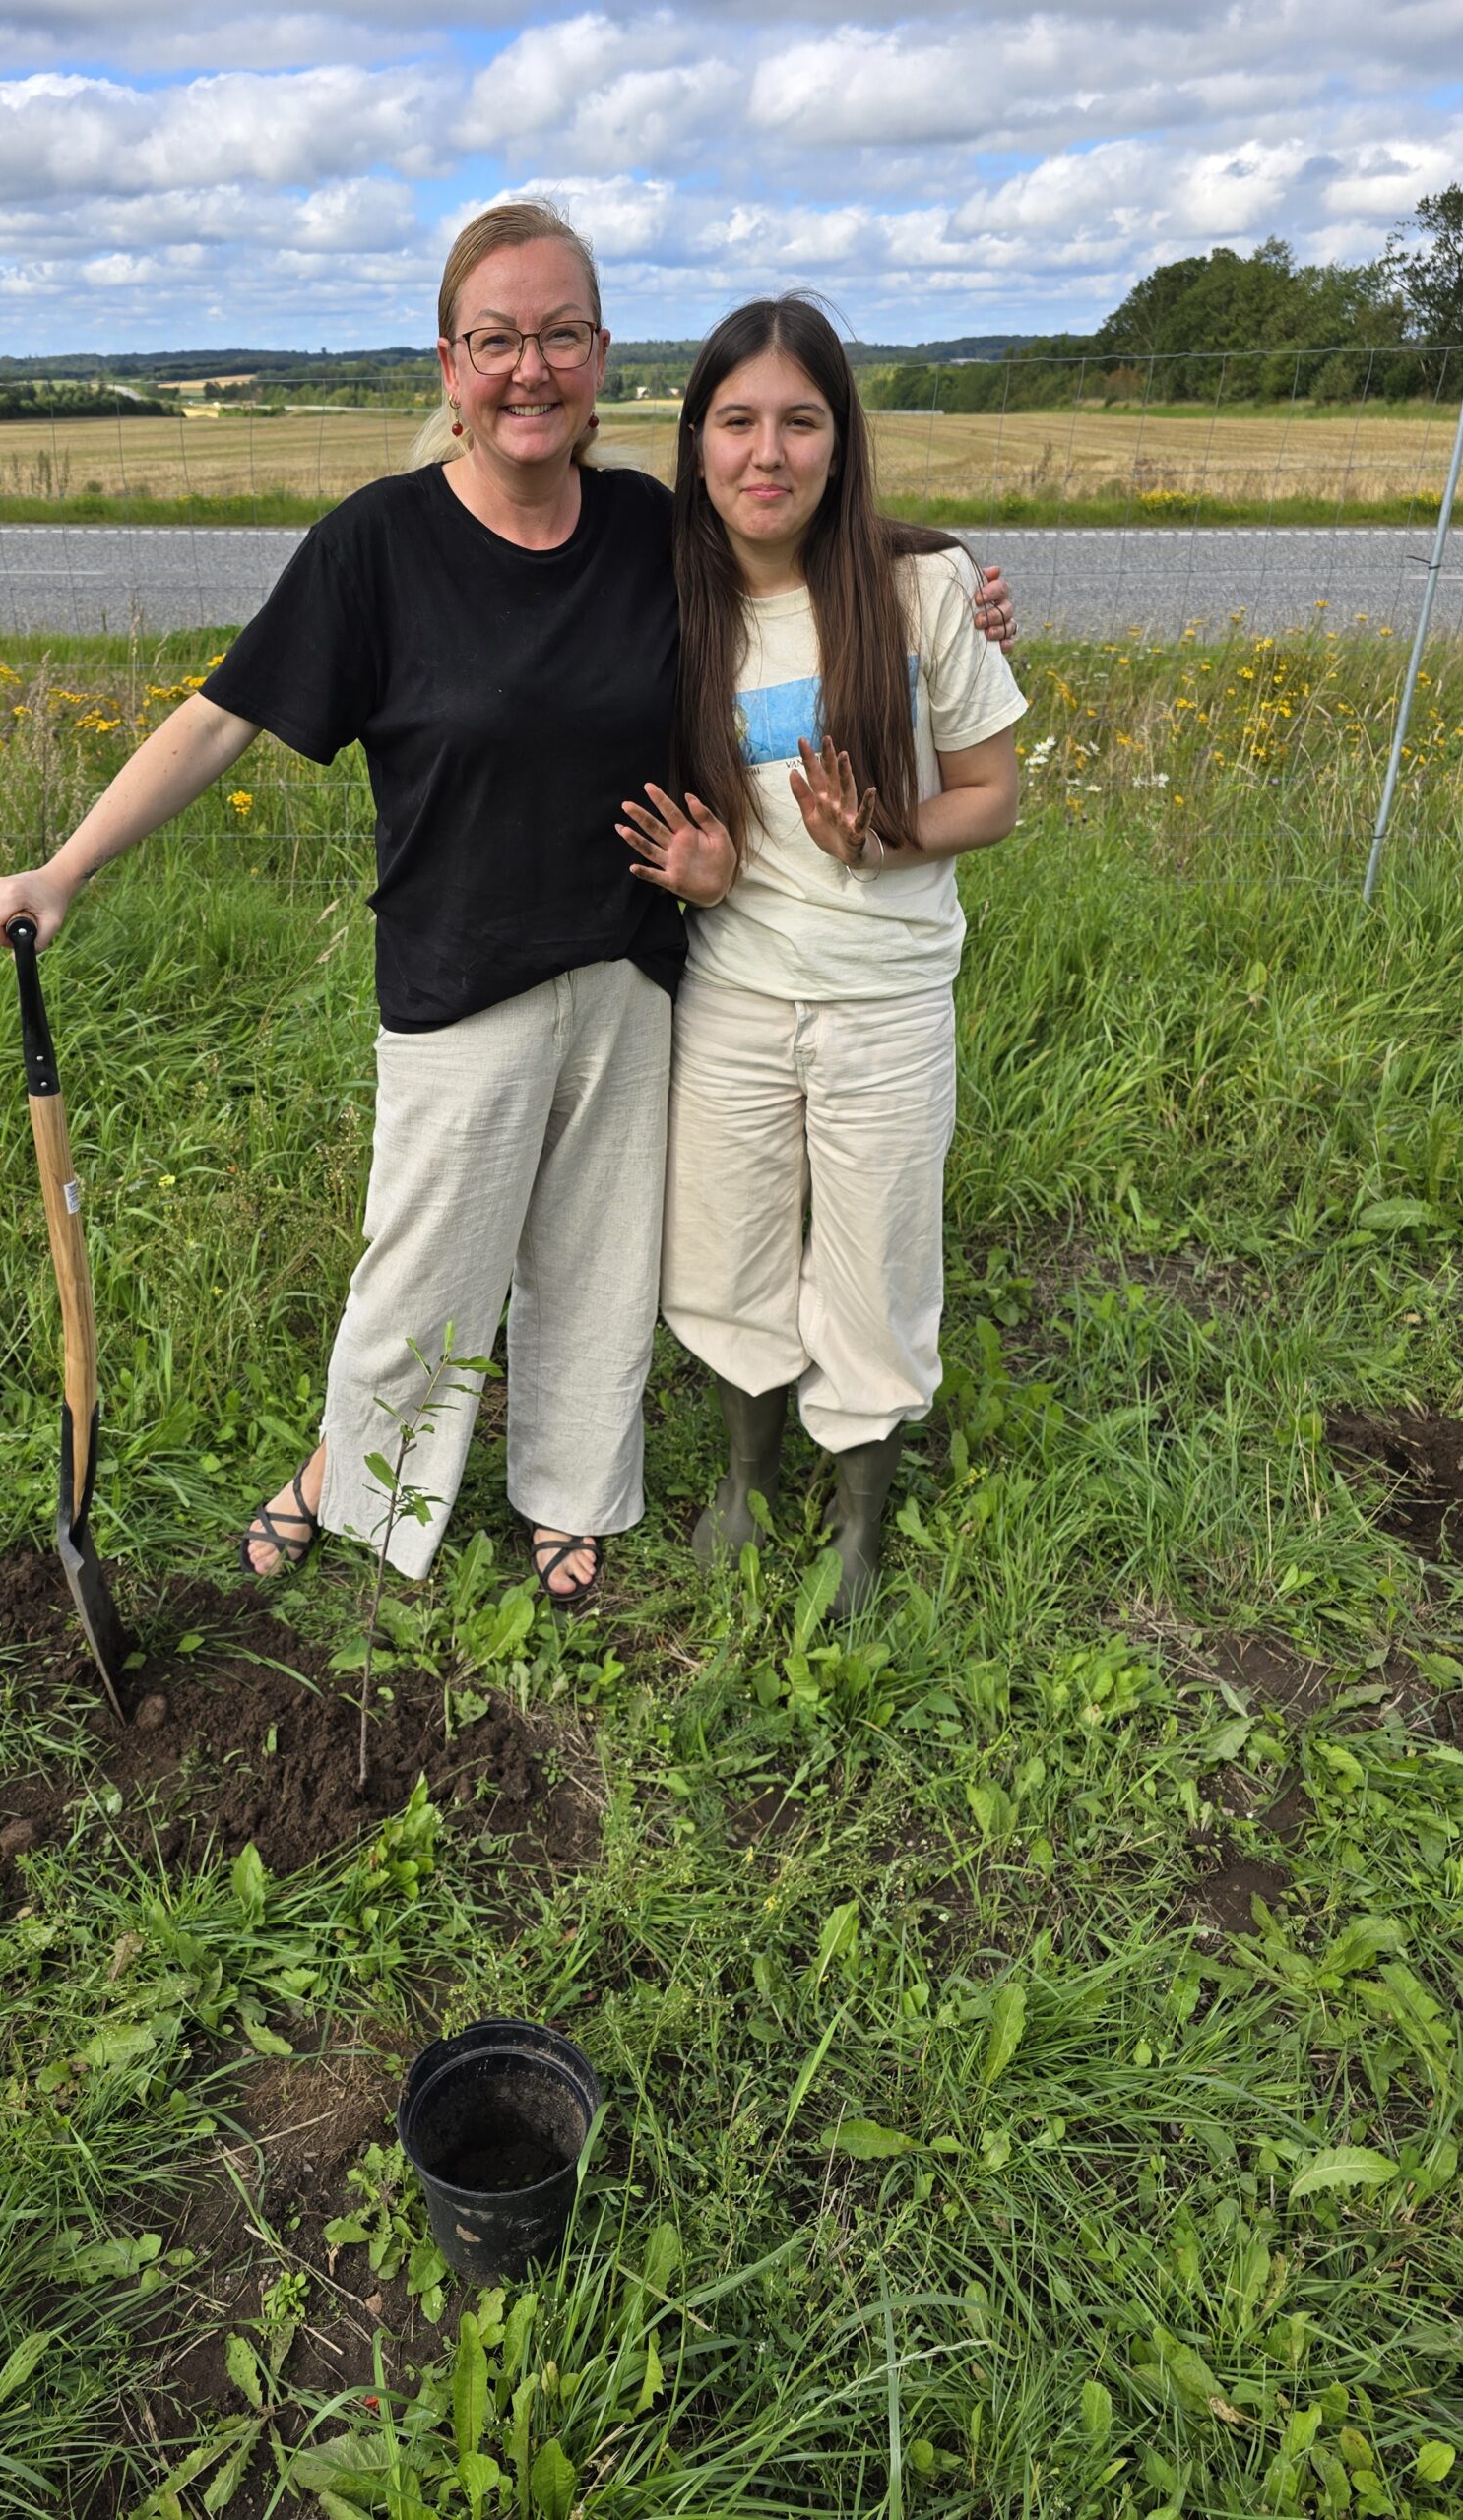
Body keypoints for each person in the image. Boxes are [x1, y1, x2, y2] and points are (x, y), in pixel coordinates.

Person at [0, 207, 1014, 1604]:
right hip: (459, 965)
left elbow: (800, 535)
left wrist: (956, 584)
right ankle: (353, 1477)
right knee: (424, 1263)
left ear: (599, 358)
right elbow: (224, 718)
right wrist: (66, 865)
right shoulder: (379, 546)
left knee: (598, 1265)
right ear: (450, 364)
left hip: (639, 964)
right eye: (497, 342)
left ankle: (571, 1497)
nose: (531, 370)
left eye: (561, 338)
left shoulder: (652, 530)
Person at [620, 294, 1026, 1615]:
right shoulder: (667, 602)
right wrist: (707, 873)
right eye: (736, 421)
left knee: (876, 1249)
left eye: (801, 422)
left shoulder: (922, 591)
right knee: (728, 1242)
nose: (767, 453)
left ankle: (859, 1515)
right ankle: (743, 1479)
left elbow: (992, 795)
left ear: (843, 443)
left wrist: (882, 841)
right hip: (734, 989)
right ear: (694, 442)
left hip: (888, 1004)